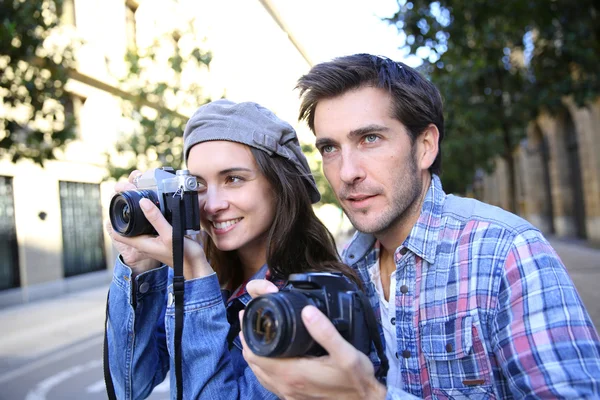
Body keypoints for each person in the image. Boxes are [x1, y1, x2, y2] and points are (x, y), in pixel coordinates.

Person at [240, 53, 600, 399]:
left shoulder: (506, 253)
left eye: (370, 139)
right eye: (330, 148)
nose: (347, 172)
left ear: (425, 146)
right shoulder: (345, 268)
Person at [104, 99, 360, 399]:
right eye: (197, 184)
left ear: (280, 185)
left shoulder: (317, 301)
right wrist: (140, 266)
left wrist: (196, 276)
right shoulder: (215, 280)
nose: (212, 205)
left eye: (233, 179)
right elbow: (130, 385)